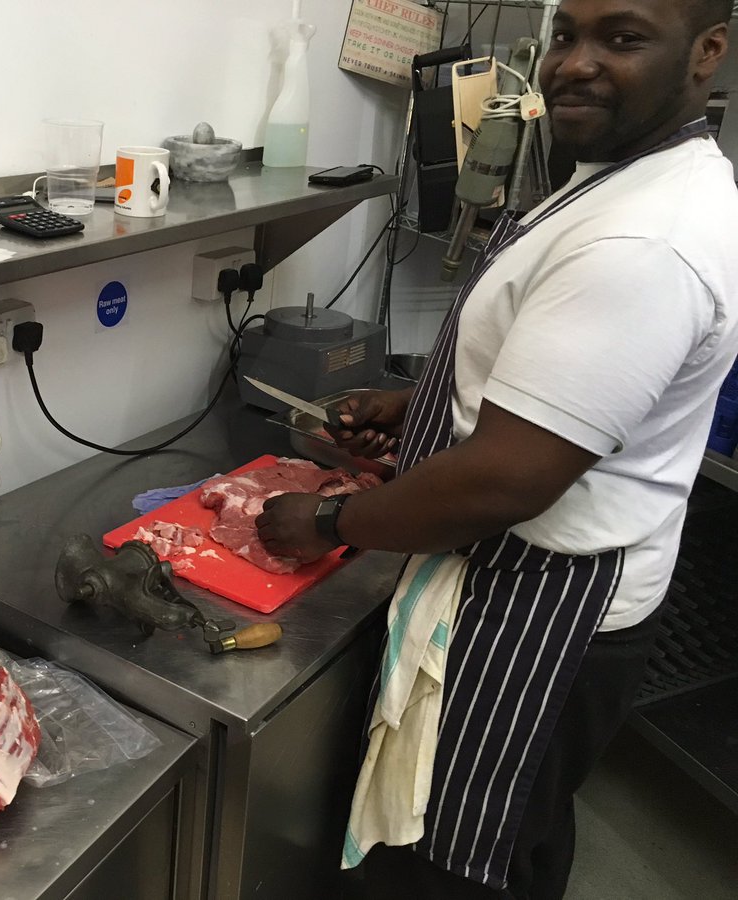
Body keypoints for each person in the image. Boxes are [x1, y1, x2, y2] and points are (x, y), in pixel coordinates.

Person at [255, 0, 738, 897]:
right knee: (521, 837)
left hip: (537, 609)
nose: (575, 64)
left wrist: (328, 519)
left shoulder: (646, 238)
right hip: (543, 579)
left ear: (707, 52)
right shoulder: (629, 177)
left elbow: (509, 479)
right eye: (567, 36)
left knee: (459, 862)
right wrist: (420, 405)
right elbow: (560, 381)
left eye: (622, 39)